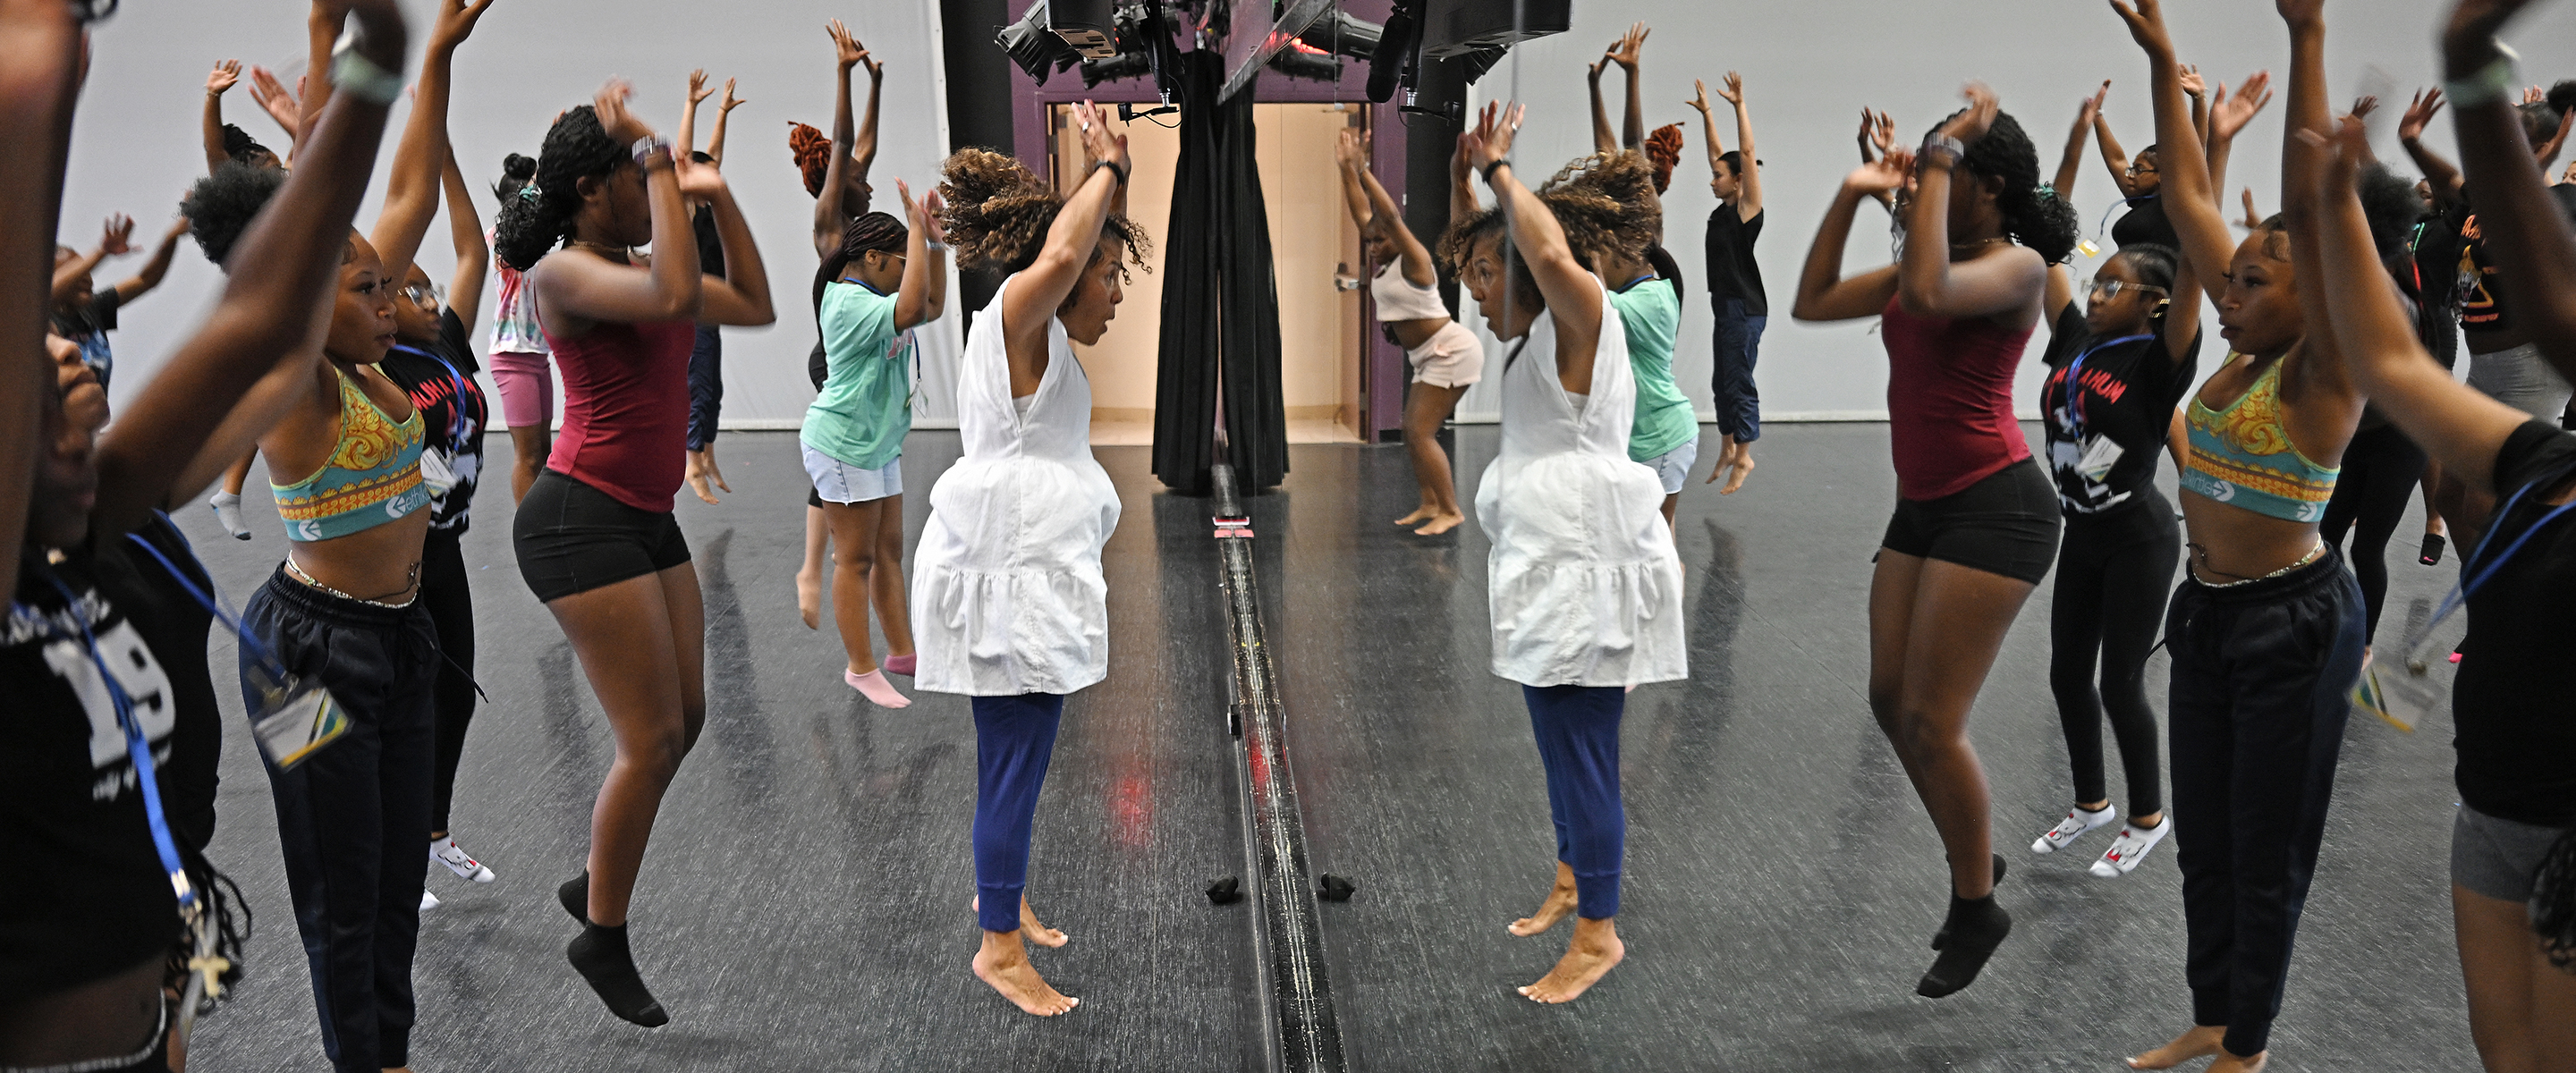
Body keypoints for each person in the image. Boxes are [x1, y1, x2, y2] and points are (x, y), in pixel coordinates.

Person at [4, 4, 399, 1069]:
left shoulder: (107, 521)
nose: (71, 355)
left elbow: (267, 334)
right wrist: (46, 40)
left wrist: (375, 69)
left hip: (153, 968)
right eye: (39, 355)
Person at [180, 4, 483, 1070]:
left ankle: (388, 1055)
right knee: (340, 889)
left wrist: (436, 57)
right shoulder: (303, 374)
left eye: (389, 284)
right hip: (298, 662)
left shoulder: (370, 355)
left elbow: (408, 190)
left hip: (400, 640)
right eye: (366, 288)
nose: (393, 300)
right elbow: (300, 237)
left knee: (398, 877)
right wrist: (323, 40)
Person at [2110, 1, 2377, 1068]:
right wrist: (2163, 59)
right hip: (2208, 613)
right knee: (2207, 847)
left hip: (2291, 627)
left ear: (2318, 290)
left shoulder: (2325, 370)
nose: (2225, 298)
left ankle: (2249, 1046)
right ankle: (2214, 1015)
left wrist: (2306, 35)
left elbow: (2311, 207)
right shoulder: (2247, 335)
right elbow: (2185, 199)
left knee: (2266, 853)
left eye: (2250, 282)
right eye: (2228, 281)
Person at [494, 78, 773, 1027]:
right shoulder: (562, 276)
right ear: (588, 191)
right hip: (578, 520)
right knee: (647, 740)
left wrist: (714, 194)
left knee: (686, 719)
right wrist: (660, 151)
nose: (647, 189)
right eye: (630, 176)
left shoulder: (646, 264)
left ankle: (596, 877)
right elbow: (674, 293)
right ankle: (602, 935)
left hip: (645, 516)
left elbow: (752, 302)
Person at [1791, 81, 2078, 998]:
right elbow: (1812, 300)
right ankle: (1973, 851)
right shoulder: (1937, 256)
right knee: (1889, 699)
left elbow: (1925, 290)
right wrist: (1853, 192)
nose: (1919, 187)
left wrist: (1940, 157)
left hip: (1998, 507)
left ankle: (1976, 902)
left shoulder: (2018, 267)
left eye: (1940, 172)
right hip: (1922, 506)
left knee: (1931, 719)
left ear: (1986, 187)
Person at [1437, 100, 1686, 1005]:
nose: (1474, 293)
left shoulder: (1582, 315)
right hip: (1553, 563)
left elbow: (1541, 253)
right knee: (1559, 742)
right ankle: (1574, 878)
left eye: (1484, 274)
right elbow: (1495, 248)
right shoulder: (1540, 331)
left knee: (1583, 752)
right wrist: (1465, 182)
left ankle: (1599, 934)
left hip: (1587, 565)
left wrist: (1501, 171)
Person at [918, 103, 1147, 1017]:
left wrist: (1104, 185)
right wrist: (1109, 170)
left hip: (1018, 566)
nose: (1116, 295)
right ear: (1070, 270)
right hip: (1011, 574)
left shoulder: (1026, 334)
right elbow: (1057, 258)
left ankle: (1002, 902)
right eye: (1110, 276)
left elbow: (1065, 254)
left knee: (1010, 759)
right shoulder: (1021, 308)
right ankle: (999, 951)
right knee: (1015, 762)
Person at [2029, 242, 2200, 875]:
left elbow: (2191, 282)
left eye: (2111, 287)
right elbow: (2048, 252)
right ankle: (2091, 804)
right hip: (2083, 531)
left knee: (2120, 683)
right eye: (2094, 284)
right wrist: (2042, 207)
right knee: (2066, 676)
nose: (2095, 296)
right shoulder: (2078, 339)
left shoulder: (2158, 362)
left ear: (2154, 303)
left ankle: (2148, 818)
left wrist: (2197, 202)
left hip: (2138, 538)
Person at [377, 143, 496, 910]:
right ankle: (393, 853)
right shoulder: (371, 365)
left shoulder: (444, 347)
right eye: (410, 291)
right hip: (390, 557)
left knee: (454, 694)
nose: (428, 301)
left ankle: (430, 833)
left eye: (430, 291)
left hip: (444, 548)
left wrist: (445, 154)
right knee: (402, 701)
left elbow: (473, 250)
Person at [806, 191, 943, 706]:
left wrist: (933, 246)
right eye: (903, 262)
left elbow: (930, 305)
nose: (910, 272)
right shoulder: (848, 302)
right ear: (873, 258)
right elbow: (914, 305)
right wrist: (917, 231)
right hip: (844, 445)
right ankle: (860, 668)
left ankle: (903, 652)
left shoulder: (878, 299)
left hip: (877, 442)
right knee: (855, 558)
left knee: (889, 551)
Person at [1337, 128, 1479, 536]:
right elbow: (1363, 214)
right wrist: (1346, 170)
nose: (1373, 247)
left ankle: (1451, 509)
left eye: (1380, 241)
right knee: (1412, 430)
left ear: (1397, 239)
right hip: (1427, 356)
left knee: (1419, 430)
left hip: (1451, 350)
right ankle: (1429, 502)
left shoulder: (1414, 259)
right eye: (1369, 243)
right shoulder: (1384, 260)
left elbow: (1390, 218)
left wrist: (1364, 171)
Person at [1583, 25, 1697, 526]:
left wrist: (1631, 76)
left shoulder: (1645, 214)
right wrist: (1593, 88)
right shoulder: (1619, 212)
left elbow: (1629, 143)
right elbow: (1608, 148)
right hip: (1636, 426)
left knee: (1653, 535)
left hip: (1660, 430)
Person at [794, 20, 882, 629]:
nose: (867, 178)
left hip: (853, 355)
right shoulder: (831, 225)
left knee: (851, 454)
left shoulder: (857, 211)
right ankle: (812, 567)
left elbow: (863, 143)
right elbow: (848, 141)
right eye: (856, 175)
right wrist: (845, 74)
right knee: (839, 455)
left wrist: (878, 82)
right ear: (835, 183)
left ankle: (834, 557)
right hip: (836, 359)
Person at [1690, 72, 1766, 495]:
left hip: (1744, 306)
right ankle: (1727, 448)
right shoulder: (1722, 210)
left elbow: (1745, 153)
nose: (1712, 179)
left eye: (1719, 175)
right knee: (1721, 383)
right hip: (1724, 304)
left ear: (1739, 179)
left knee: (1739, 382)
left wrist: (1739, 105)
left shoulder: (1746, 209)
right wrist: (1706, 113)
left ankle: (1745, 456)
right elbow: (1717, 155)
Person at [679, 70, 744, 506]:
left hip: (711, 308)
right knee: (698, 387)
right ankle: (691, 464)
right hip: (693, 307)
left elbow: (712, 155)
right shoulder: (685, 206)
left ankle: (709, 456)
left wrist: (721, 112)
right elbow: (686, 156)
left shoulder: (706, 205)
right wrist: (692, 105)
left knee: (713, 390)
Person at [52, 212, 188, 392]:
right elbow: (49, 294)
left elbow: (146, 280)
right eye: (78, 272)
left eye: (88, 270)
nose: (88, 278)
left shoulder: (92, 310)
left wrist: (172, 236)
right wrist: (101, 252)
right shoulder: (37, 320)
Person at [487, 151, 554, 504]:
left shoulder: (539, 240)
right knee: (528, 456)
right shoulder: (500, 238)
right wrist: (546, 165)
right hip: (511, 355)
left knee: (545, 450)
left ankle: (544, 519)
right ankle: (527, 527)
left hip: (537, 354)